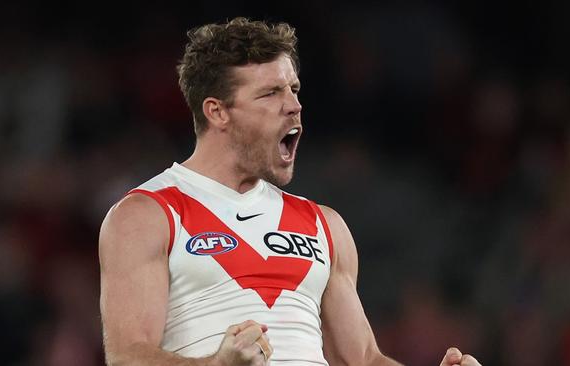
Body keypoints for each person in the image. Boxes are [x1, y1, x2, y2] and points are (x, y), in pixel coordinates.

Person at [99, 17, 481, 366]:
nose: (294, 106)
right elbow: (128, 357)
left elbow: (363, 359)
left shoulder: (324, 225)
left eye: (294, 89)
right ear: (217, 112)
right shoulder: (146, 215)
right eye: (270, 94)